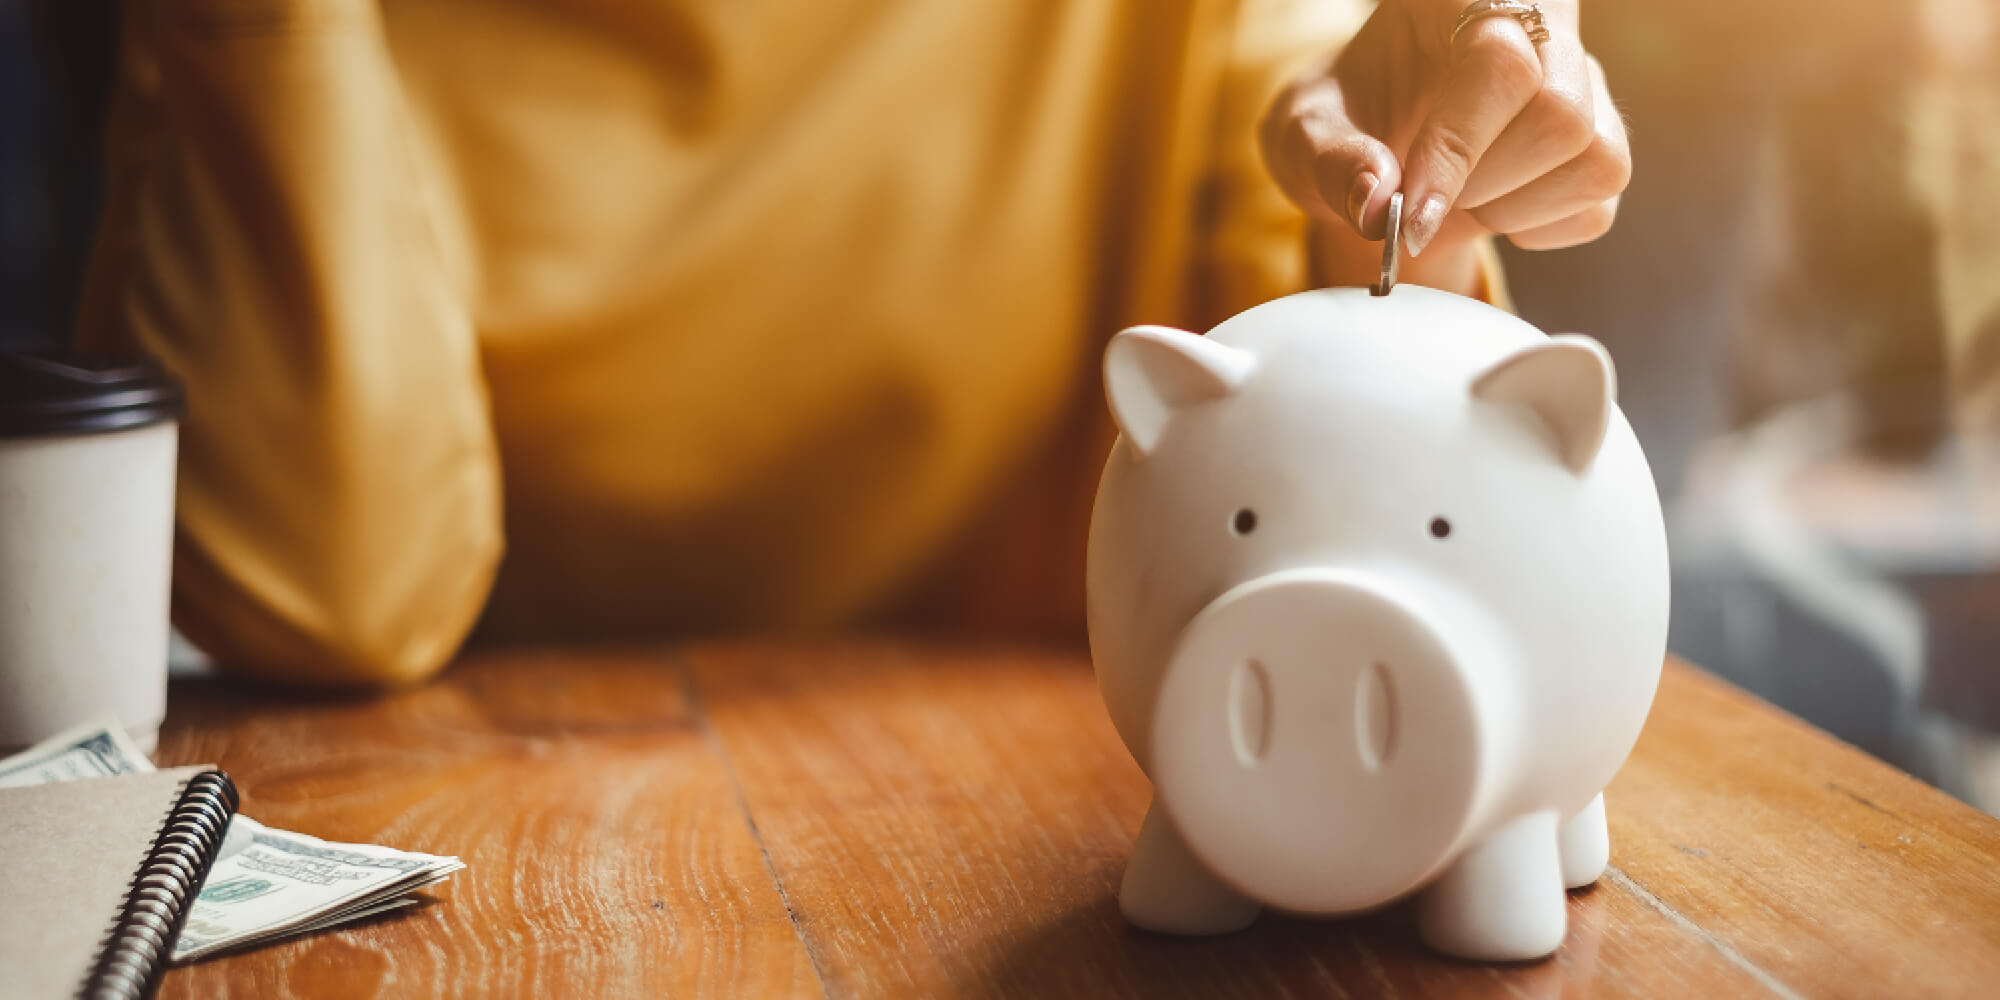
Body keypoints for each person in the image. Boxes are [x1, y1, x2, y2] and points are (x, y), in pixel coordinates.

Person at [74, 0, 1628, 686]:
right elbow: (322, 590)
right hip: (476, 780)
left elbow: (1306, 216)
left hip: (1055, 779)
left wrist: (1401, 168)